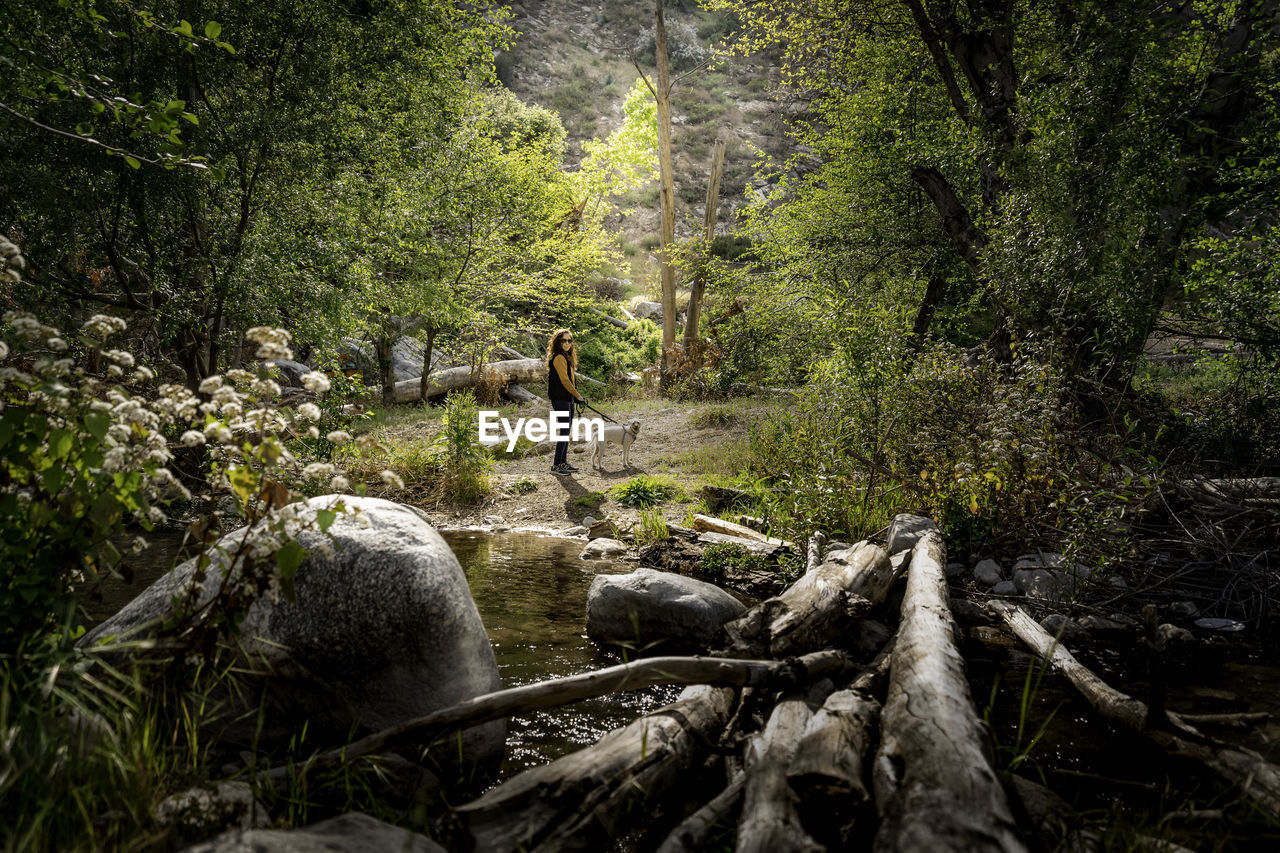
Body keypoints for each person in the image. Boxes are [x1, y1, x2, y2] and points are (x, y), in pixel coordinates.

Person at [546, 328, 586, 475]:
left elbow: (570, 380)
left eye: (569, 340)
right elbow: (564, 380)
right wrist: (578, 395)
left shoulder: (566, 356)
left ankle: (562, 462)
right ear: (558, 342)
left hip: (567, 398)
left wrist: (574, 396)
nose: (567, 343)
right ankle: (556, 465)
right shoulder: (559, 358)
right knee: (564, 431)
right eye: (564, 340)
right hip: (560, 399)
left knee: (566, 431)